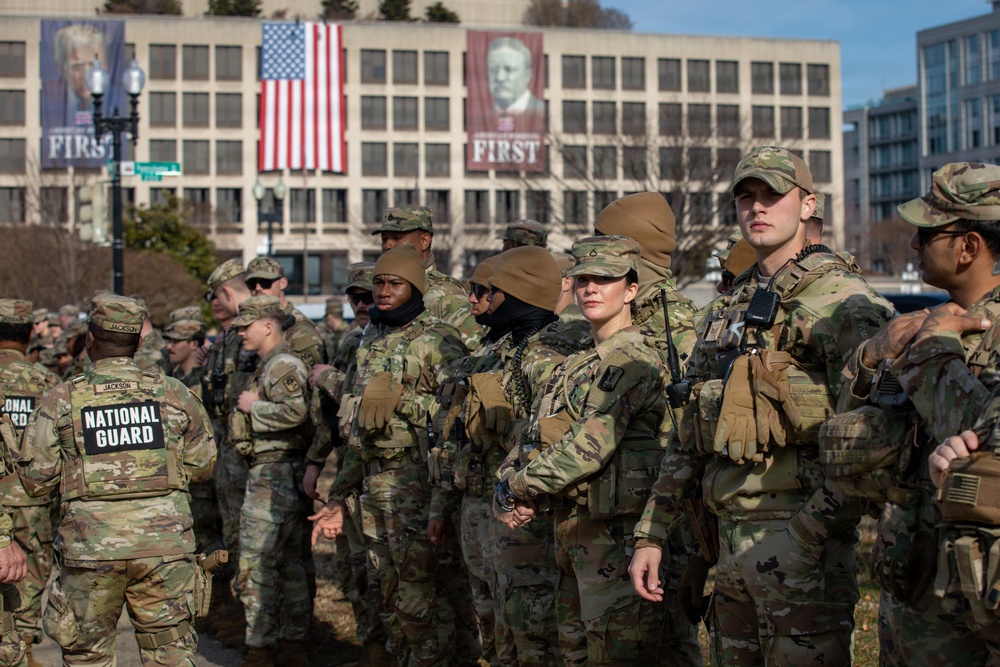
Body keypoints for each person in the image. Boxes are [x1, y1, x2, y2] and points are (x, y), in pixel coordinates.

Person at [628, 146, 893, 665]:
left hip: (801, 547)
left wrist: (805, 536)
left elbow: (875, 439)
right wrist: (653, 532)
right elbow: (688, 432)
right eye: (746, 198)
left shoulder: (844, 302)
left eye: (773, 195)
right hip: (726, 543)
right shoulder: (729, 304)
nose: (758, 208)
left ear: (809, 204)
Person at [847, 163, 1000, 664]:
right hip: (909, 572)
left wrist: (933, 352)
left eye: (928, 232)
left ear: (968, 247)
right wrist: (872, 356)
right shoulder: (925, 324)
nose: (914, 244)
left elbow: (984, 438)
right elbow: (849, 414)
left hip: (973, 591)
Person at [494, 236, 668, 665]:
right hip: (572, 534)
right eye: (583, 279)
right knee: (575, 654)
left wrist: (519, 485)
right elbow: (534, 434)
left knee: (614, 655)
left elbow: (588, 447)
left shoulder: (632, 359)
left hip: (616, 538)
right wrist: (507, 482)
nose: (590, 289)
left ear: (630, 289)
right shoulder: (577, 362)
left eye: (605, 279)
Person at [18, 293, 216, 667]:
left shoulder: (61, 398)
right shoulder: (174, 393)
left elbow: (36, 480)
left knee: (88, 657)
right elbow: (202, 465)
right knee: (171, 655)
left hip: (91, 550)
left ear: (90, 340)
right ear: (139, 342)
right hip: (164, 547)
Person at [312, 245, 467, 667]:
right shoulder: (371, 340)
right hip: (372, 483)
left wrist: (404, 403)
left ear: (415, 287)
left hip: (415, 481)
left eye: (393, 283)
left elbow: (457, 416)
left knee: (421, 597)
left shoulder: (437, 340)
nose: (381, 291)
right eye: (378, 282)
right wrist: (337, 495)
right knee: (389, 594)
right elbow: (360, 427)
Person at [462, 246, 588, 667]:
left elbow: (555, 435)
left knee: (537, 628)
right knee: (509, 622)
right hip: (503, 507)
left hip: (536, 513)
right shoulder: (508, 349)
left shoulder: (556, 351)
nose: (483, 301)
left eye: (493, 291)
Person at [229, 295, 312, 667]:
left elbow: (296, 412)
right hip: (276, 472)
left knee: (257, 563)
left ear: (267, 326)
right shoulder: (268, 365)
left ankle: (262, 648)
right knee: (287, 563)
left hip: (274, 473)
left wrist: (253, 408)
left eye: (246, 326)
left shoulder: (282, 365)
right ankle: (292, 645)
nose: (241, 334)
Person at [0, 299, 59, 667]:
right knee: (32, 575)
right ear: (31, 334)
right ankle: (24, 647)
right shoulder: (48, 383)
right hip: (33, 497)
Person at [202, 259, 257, 646]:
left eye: (215, 298)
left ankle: (262, 633)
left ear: (226, 293)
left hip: (253, 461)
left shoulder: (257, 332)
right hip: (229, 457)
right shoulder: (226, 340)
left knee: (252, 547)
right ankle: (240, 618)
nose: (214, 306)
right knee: (233, 542)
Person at [373, 205, 483, 349]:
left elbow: (473, 353)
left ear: (424, 241)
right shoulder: (381, 289)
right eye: (384, 239)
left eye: (397, 238)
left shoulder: (445, 294)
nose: (388, 245)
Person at [244, 257, 326, 368]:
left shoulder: (302, 331)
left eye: (265, 282)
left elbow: (313, 377)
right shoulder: (250, 326)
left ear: (283, 283)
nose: (258, 288)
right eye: (252, 284)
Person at [486, 37, 544, 117]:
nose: (500, 77)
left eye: (509, 70)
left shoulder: (542, 112)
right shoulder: (485, 117)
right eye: (494, 70)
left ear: (527, 75)